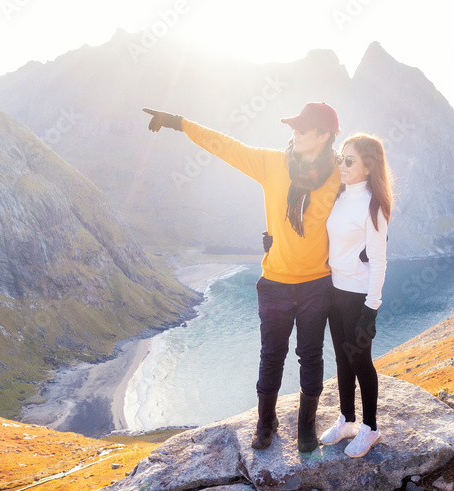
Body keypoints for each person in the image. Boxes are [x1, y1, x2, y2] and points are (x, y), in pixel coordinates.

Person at [143, 103, 341, 453]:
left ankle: (306, 427)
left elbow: (366, 200)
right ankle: (267, 423)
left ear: (324, 136)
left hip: (317, 285)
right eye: (293, 126)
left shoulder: (340, 174)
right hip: (275, 284)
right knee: (271, 356)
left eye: (303, 128)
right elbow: (225, 145)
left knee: (310, 356)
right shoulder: (272, 163)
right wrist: (178, 122)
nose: (294, 132)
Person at [317, 134, 392, 458]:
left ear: (367, 167)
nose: (342, 165)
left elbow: (378, 260)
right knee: (341, 359)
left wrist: (370, 310)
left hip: (358, 296)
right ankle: (347, 419)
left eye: (350, 160)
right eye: (340, 159)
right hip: (334, 290)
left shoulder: (373, 205)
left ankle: (370, 428)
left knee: (360, 361)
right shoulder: (338, 195)